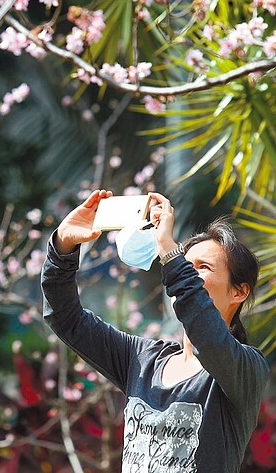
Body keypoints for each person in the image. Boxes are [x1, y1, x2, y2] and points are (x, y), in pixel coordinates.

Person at [41, 189, 270, 473]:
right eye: (186, 267)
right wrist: (62, 247)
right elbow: (66, 319)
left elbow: (208, 337)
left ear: (239, 292)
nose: (187, 274)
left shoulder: (246, 368)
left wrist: (170, 253)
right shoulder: (141, 359)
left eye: (203, 268)